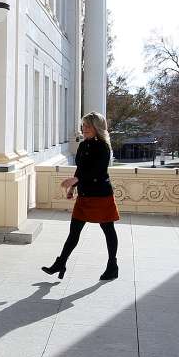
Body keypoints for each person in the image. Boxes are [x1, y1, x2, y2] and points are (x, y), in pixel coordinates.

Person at [42, 112, 120, 281]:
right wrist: (72, 187)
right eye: (83, 126)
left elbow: (97, 171)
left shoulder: (103, 147)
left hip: (101, 195)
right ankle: (60, 263)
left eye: (87, 126)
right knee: (74, 232)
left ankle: (112, 266)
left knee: (108, 230)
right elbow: (81, 169)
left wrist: (75, 179)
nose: (84, 129)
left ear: (97, 128)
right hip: (84, 194)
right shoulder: (84, 145)